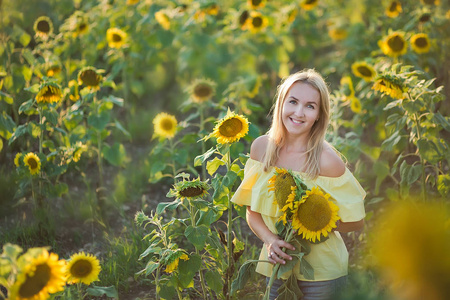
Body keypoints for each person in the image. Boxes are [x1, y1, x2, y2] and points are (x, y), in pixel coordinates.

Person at [231, 69, 366, 300]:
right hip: (277, 266)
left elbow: (356, 222)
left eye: (310, 106)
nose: (299, 112)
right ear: (281, 103)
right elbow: (252, 212)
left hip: (323, 274)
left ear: (318, 116)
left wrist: (315, 220)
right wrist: (271, 241)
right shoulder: (261, 149)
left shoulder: (327, 160)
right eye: (293, 102)